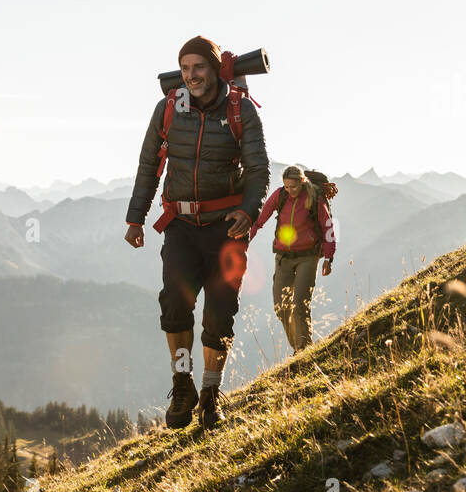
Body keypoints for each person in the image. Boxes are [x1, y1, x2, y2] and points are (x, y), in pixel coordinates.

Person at [123, 36, 270, 429]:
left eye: (198, 67)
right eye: (185, 69)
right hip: (182, 227)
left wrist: (248, 211)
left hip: (227, 228)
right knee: (174, 306)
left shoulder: (241, 110)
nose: (191, 76)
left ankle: (209, 393)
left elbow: (258, 170)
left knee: (220, 315)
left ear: (215, 67)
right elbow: (147, 165)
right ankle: (183, 383)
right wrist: (135, 217)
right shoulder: (169, 108)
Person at [253, 166, 336, 356]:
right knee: (280, 307)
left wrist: (329, 258)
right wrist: (243, 241)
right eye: (286, 187)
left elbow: (329, 228)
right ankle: (297, 347)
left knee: (300, 304)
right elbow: (260, 220)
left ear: (303, 182)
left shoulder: (315, 198)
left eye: (294, 187)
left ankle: (304, 350)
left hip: (308, 257)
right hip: (283, 258)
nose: (290, 191)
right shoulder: (280, 195)